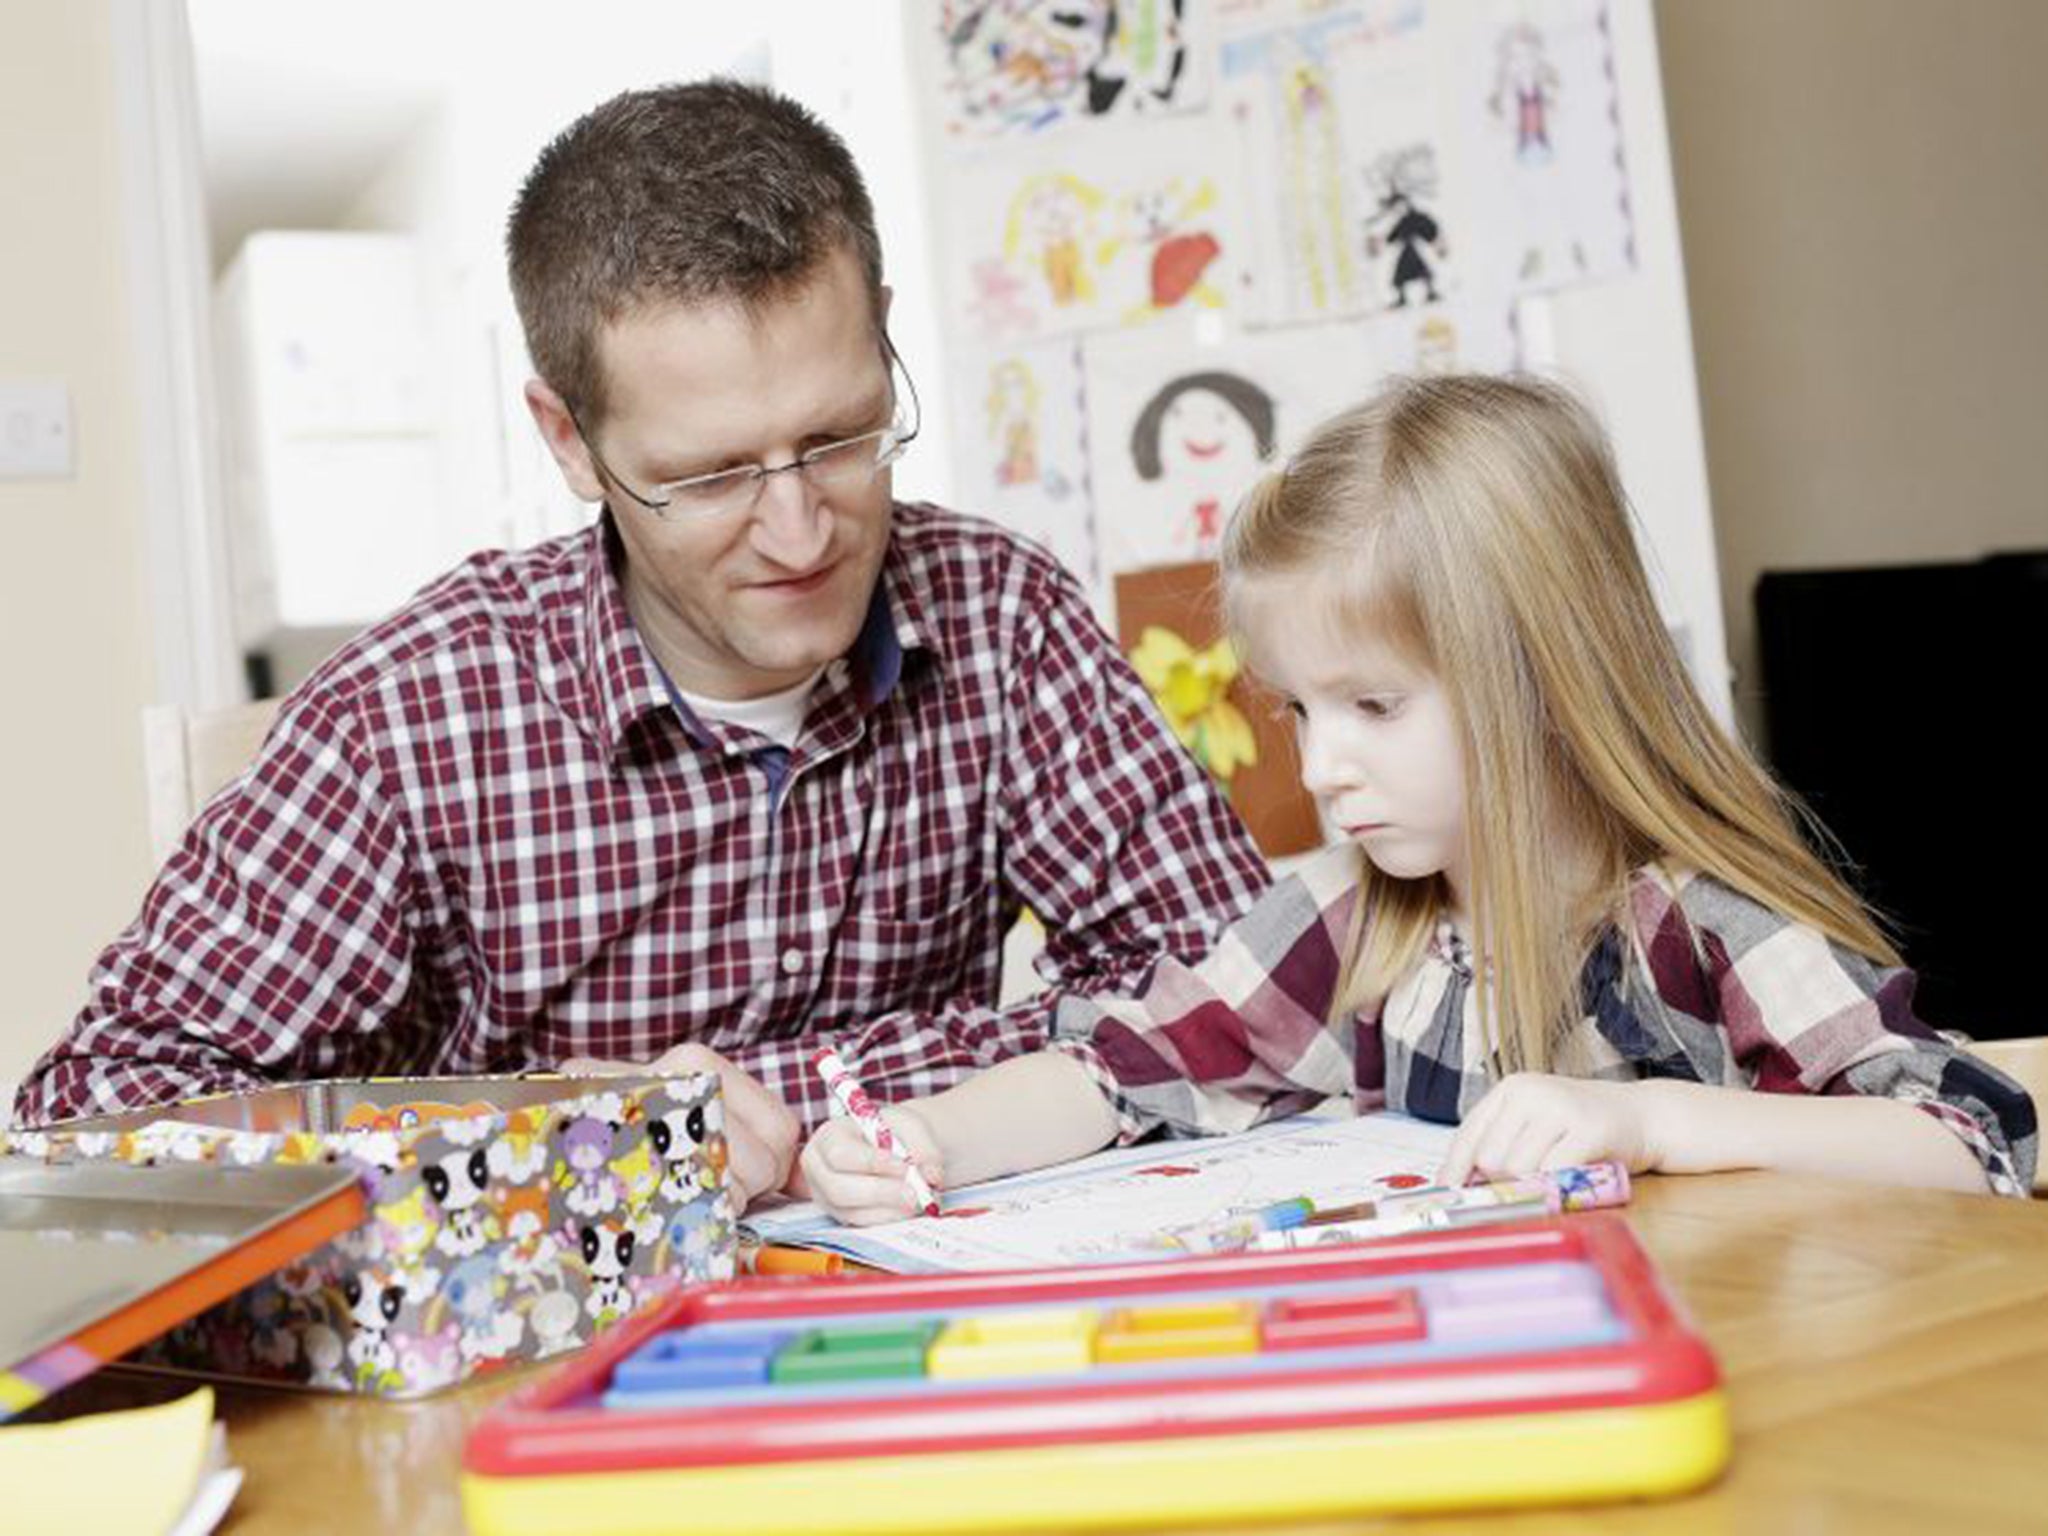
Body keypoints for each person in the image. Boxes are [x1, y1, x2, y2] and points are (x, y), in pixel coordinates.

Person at [11, 80, 1270, 1209]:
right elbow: (85, 1127)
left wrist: (796, 1100)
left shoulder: (1000, 616)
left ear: (882, 333)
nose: (797, 531)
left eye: (840, 434)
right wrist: (581, 1129)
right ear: (568, 441)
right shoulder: (413, 714)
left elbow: (1253, 994)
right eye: (711, 475)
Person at [802, 374, 2038, 1222]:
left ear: (1540, 681)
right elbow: (1121, 1070)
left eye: (1373, 708)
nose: (1322, 766)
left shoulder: (1696, 919)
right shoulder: (1358, 924)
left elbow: (1977, 1139)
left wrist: (1653, 1123)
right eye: (1299, 710)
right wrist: (932, 1141)